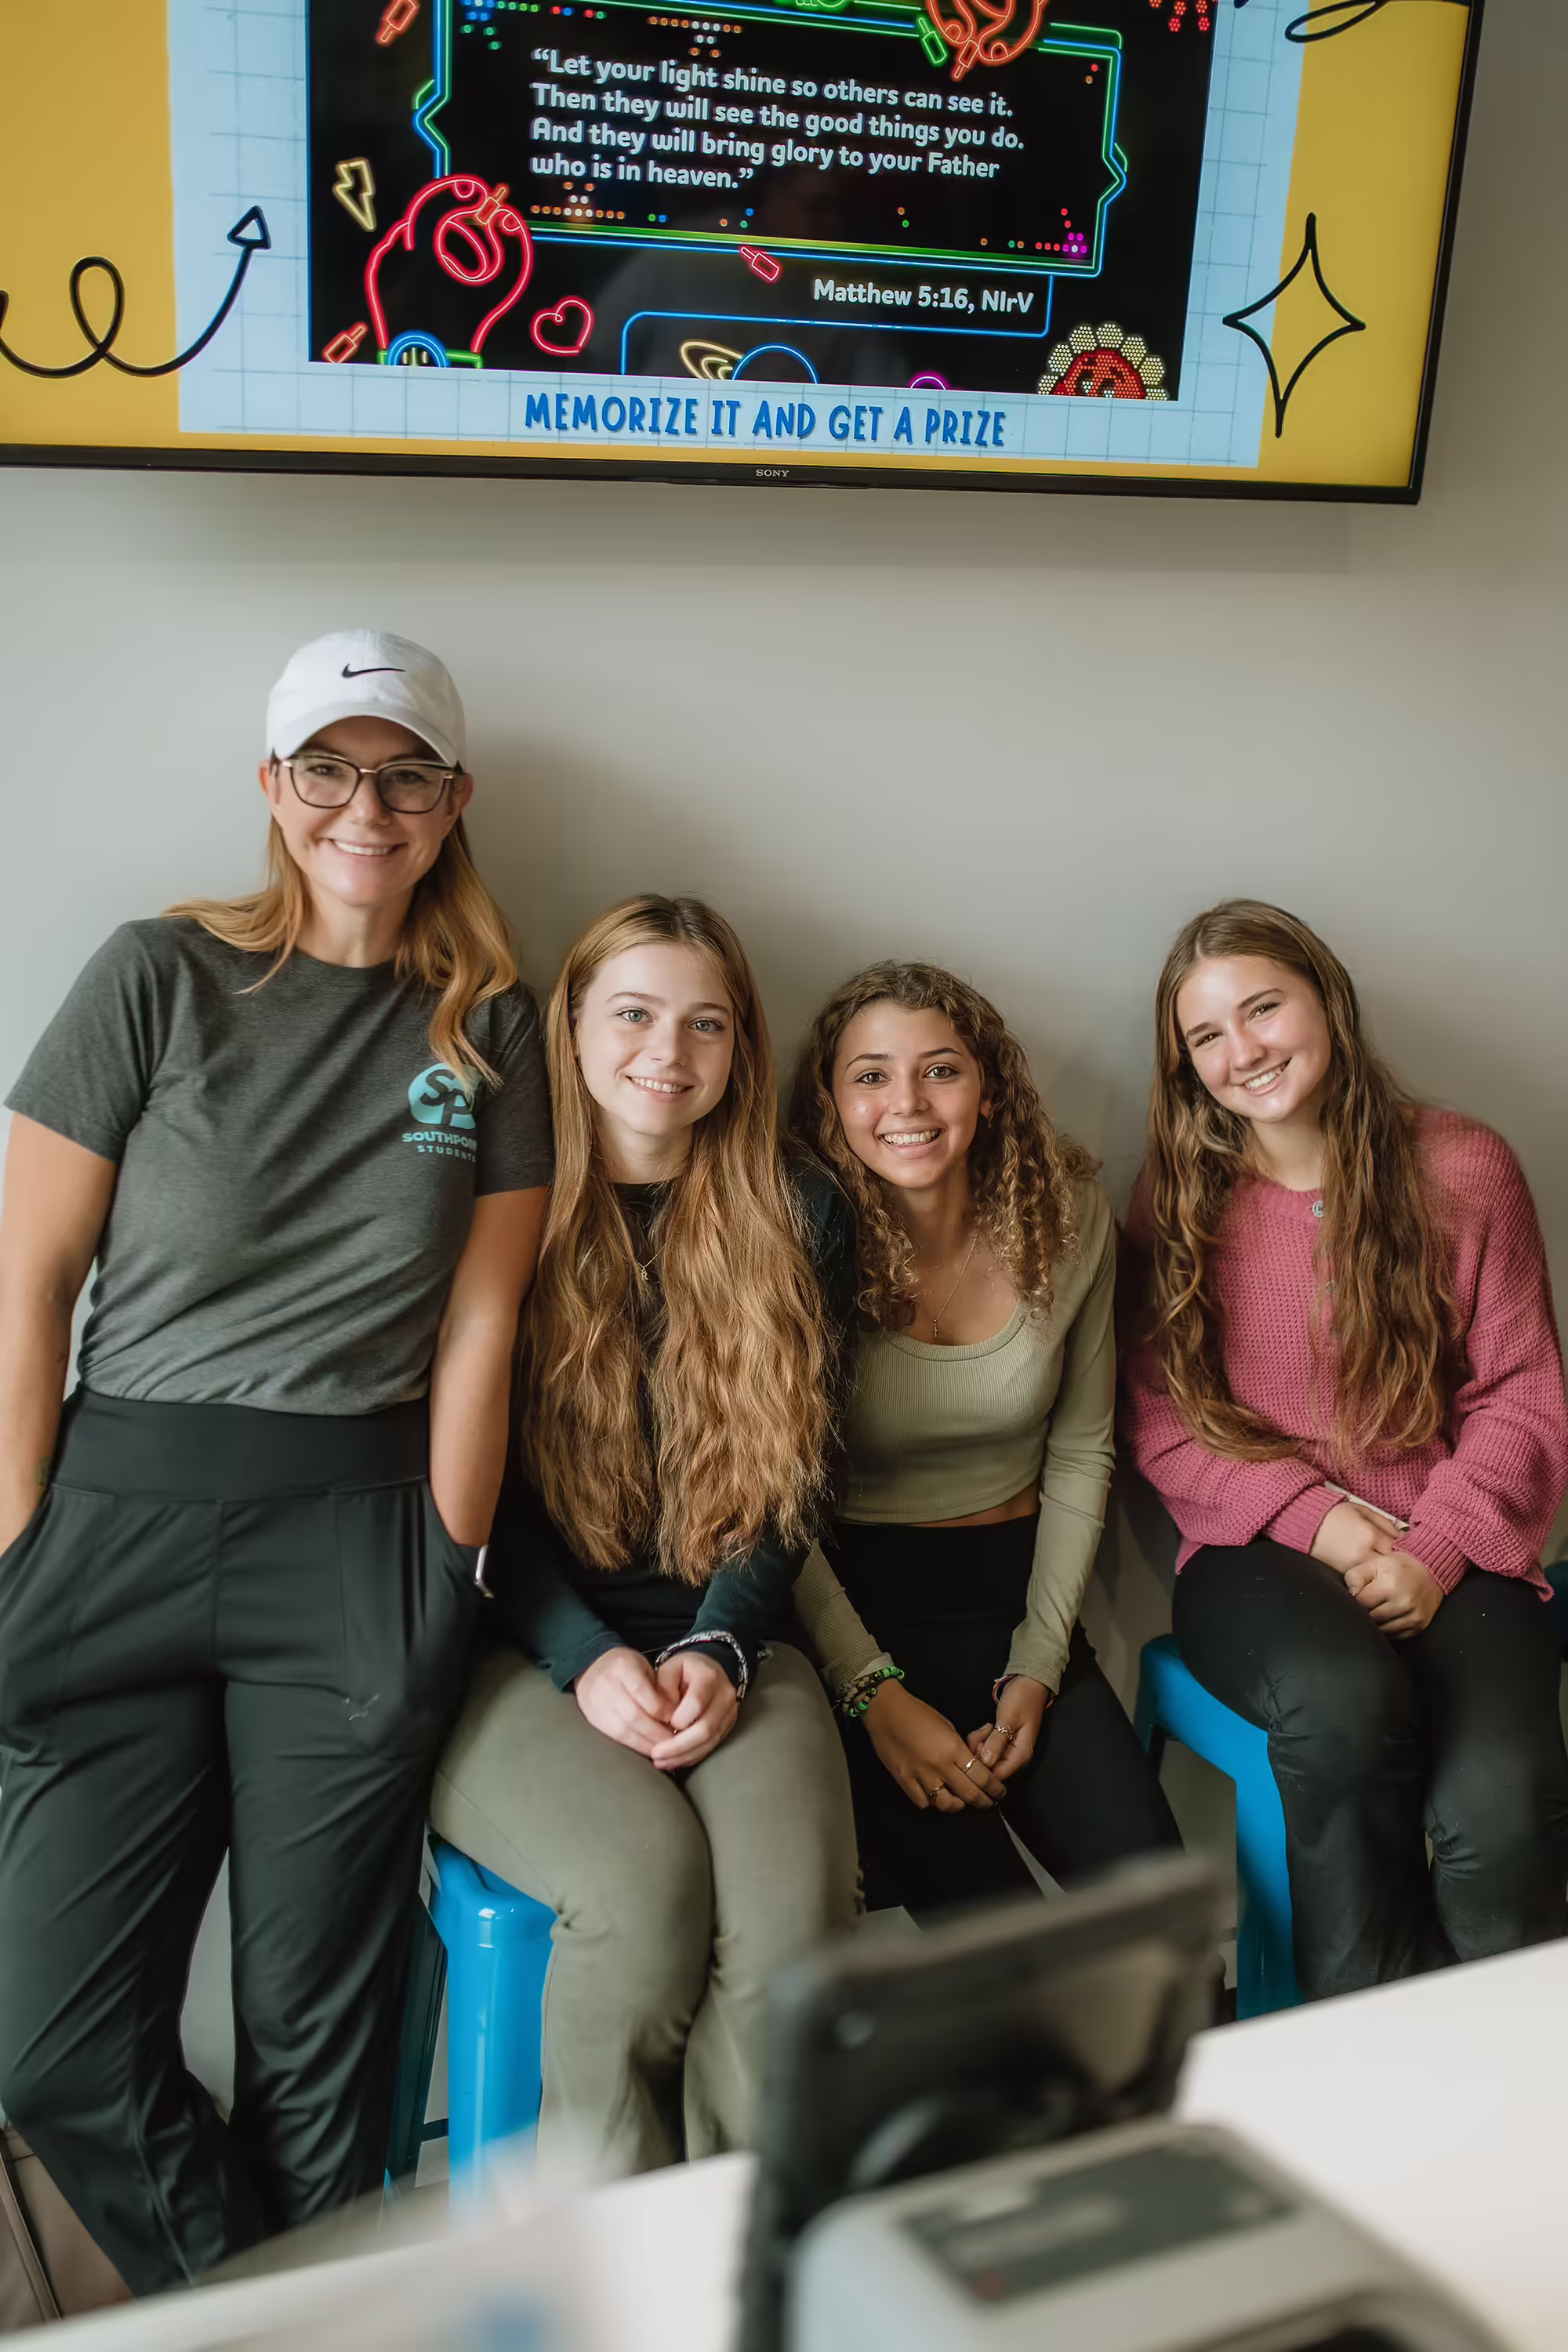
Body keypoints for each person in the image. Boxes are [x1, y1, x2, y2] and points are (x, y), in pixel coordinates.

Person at [0, 632, 552, 2289]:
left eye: (400, 774)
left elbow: (481, 1327)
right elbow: (26, 1283)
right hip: (117, 1528)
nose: (361, 807)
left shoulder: (493, 1027)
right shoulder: (152, 975)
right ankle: (276, 2317)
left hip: (359, 1545)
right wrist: (19, 1549)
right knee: (53, 2046)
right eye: (327, 768)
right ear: (273, 789)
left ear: (453, 802)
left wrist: (445, 1570)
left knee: (319, 2054)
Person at [431, 895, 860, 2175]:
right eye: (633, 1013)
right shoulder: (495, 1204)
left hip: (734, 1641)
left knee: (788, 1939)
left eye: (705, 1024)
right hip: (520, 1650)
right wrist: (585, 1657)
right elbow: (475, 1491)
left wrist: (724, 1648)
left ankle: (744, 2250)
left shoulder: (797, 1211)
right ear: (571, 1027)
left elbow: (795, 1479)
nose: (667, 1052)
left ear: (739, 1050)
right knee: (642, 1893)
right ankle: (612, 2246)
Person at [1121, 898, 1568, 2000]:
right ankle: (1364, 2055)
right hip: (1255, 1555)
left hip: (1452, 1543)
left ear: (1328, 999)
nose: (1243, 1052)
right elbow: (1162, 1420)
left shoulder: (1465, 1168)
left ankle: (1511, 2084)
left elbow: (1522, 1395)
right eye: (1206, 1037)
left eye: (1263, 1008)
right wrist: (1323, 1521)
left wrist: (1435, 1551)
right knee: (1343, 1706)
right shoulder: (1177, 1202)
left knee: (1500, 1814)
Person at [790, 961, 1181, 1924]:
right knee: (1005, 1950)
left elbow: (1082, 1451)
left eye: (941, 1070)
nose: (906, 1103)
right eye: (870, 1076)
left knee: (1162, 1923)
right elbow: (763, 1495)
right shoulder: (787, 1239)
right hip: (843, 1620)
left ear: (990, 1085)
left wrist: (1040, 1663)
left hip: (1012, 1606)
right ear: (830, 1101)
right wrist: (871, 1695)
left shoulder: (1070, 1216)